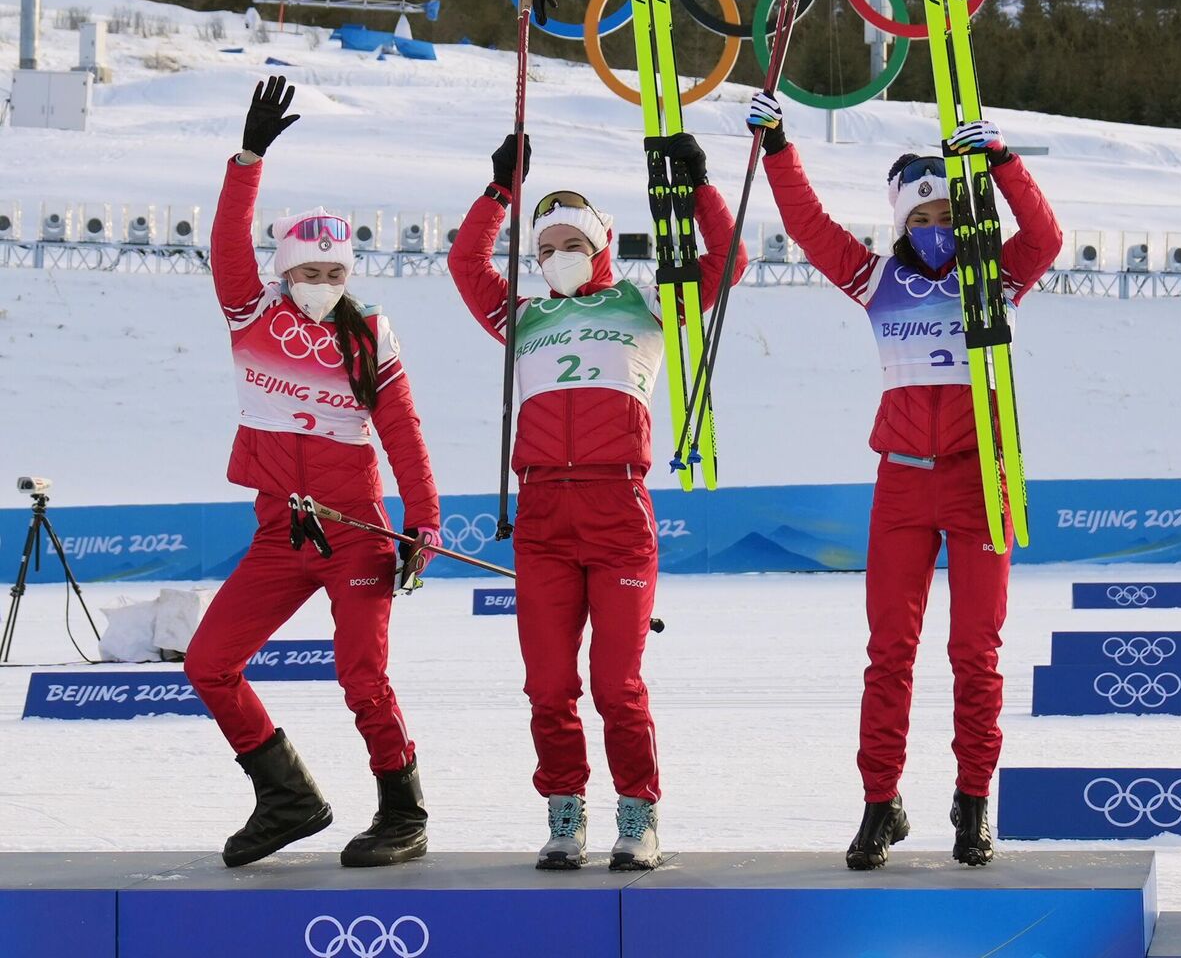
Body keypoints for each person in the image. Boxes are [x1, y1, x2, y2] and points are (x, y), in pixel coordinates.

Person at [746, 91, 1064, 870]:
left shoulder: (996, 277)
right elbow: (810, 229)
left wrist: (1004, 163)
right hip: (901, 484)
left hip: (980, 481)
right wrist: (781, 148)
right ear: (900, 227)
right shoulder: (876, 279)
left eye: (947, 218)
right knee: (890, 651)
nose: (936, 232)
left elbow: (1048, 237)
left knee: (975, 653)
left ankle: (974, 802)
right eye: (920, 221)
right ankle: (881, 802)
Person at [448, 130, 744, 870]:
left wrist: (701, 186)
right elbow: (464, 264)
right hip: (544, 515)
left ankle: (638, 814)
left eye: (570, 240)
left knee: (617, 685)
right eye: (543, 246)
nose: (556, 255)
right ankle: (564, 812)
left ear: (600, 243)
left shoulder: (646, 303)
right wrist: (499, 192)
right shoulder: (522, 315)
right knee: (549, 686)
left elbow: (725, 263)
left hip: (618, 511)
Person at [186, 77, 441, 869]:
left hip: (356, 533)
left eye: (337, 272)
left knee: (362, 675)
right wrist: (248, 157)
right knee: (208, 663)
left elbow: (404, 434)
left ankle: (404, 813)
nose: (325, 283)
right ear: (286, 271)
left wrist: (424, 521)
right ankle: (288, 796)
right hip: (279, 533)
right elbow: (228, 241)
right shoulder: (250, 313)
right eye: (310, 271)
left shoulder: (370, 339)